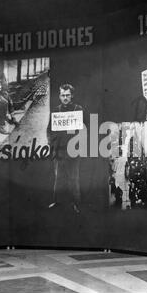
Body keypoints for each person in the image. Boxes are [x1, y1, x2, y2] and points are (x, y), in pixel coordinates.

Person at [46, 84, 84, 214]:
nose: (65, 98)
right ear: (59, 96)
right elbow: (49, 130)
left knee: (73, 179)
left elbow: (83, 129)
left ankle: (76, 204)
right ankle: (57, 202)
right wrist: (52, 144)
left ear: (72, 95)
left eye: (68, 95)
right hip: (59, 151)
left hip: (73, 150)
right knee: (58, 179)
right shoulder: (55, 111)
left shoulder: (78, 109)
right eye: (63, 95)